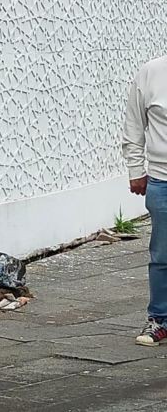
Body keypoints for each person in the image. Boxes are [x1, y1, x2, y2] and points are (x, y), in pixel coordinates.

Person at [122, 55, 167, 347]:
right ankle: (160, 320)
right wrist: (136, 170)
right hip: (163, 179)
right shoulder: (152, 72)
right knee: (162, 255)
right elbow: (134, 125)